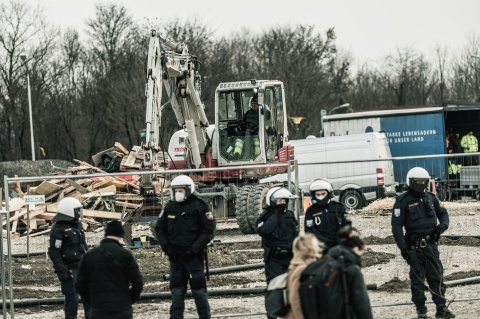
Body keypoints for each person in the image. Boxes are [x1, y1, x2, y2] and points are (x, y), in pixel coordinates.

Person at [392, 167, 455, 318]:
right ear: (411, 182)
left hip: (431, 245)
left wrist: (443, 226)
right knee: (417, 280)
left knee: (436, 276)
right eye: (419, 182)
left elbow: (443, 213)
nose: (422, 184)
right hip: (414, 248)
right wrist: (403, 248)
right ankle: (421, 311)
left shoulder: (431, 198)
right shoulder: (402, 201)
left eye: (424, 182)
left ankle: (441, 307)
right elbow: (396, 226)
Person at [154, 175, 216, 319]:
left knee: (199, 291)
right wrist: (167, 248)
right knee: (176, 291)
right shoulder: (170, 206)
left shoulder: (199, 206)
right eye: (176, 190)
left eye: (181, 190)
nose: (178, 193)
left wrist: (194, 249)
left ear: (188, 190)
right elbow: (159, 228)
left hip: (193, 257)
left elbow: (209, 230)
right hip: (175, 258)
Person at [76, 220, 144, 319]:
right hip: (122, 310)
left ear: (105, 234)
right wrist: (128, 300)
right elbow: (138, 283)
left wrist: (92, 301)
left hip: (99, 310)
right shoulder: (125, 255)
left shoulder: (89, 256)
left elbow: (80, 285)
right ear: (121, 235)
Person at [256, 186, 299, 319]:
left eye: (284, 201)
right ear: (273, 201)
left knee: (293, 289)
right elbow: (263, 231)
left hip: (290, 258)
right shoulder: (266, 216)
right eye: (280, 201)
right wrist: (274, 215)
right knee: (274, 290)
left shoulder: (290, 216)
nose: (283, 204)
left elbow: (296, 234)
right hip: (274, 259)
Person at [48, 197, 91, 319]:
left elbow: (83, 245)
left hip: (82, 267)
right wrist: (61, 270)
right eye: (77, 210)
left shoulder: (77, 225)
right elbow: (54, 252)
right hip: (69, 269)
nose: (79, 213)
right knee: (72, 300)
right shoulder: (58, 229)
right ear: (68, 211)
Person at [325, 226, 373, 319]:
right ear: (356, 249)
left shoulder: (326, 263)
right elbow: (361, 302)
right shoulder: (353, 270)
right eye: (360, 255)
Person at [304, 179, 351, 253]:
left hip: (339, 246)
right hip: (320, 247)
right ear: (314, 195)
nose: (321, 197)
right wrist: (324, 241)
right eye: (318, 195)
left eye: (323, 194)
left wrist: (340, 240)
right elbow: (309, 230)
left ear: (329, 193)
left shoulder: (339, 207)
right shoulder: (311, 211)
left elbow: (348, 226)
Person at [283, 233, 322, 319]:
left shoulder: (298, 267)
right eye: (315, 245)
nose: (318, 248)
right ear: (308, 248)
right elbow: (295, 299)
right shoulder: (301, 270)